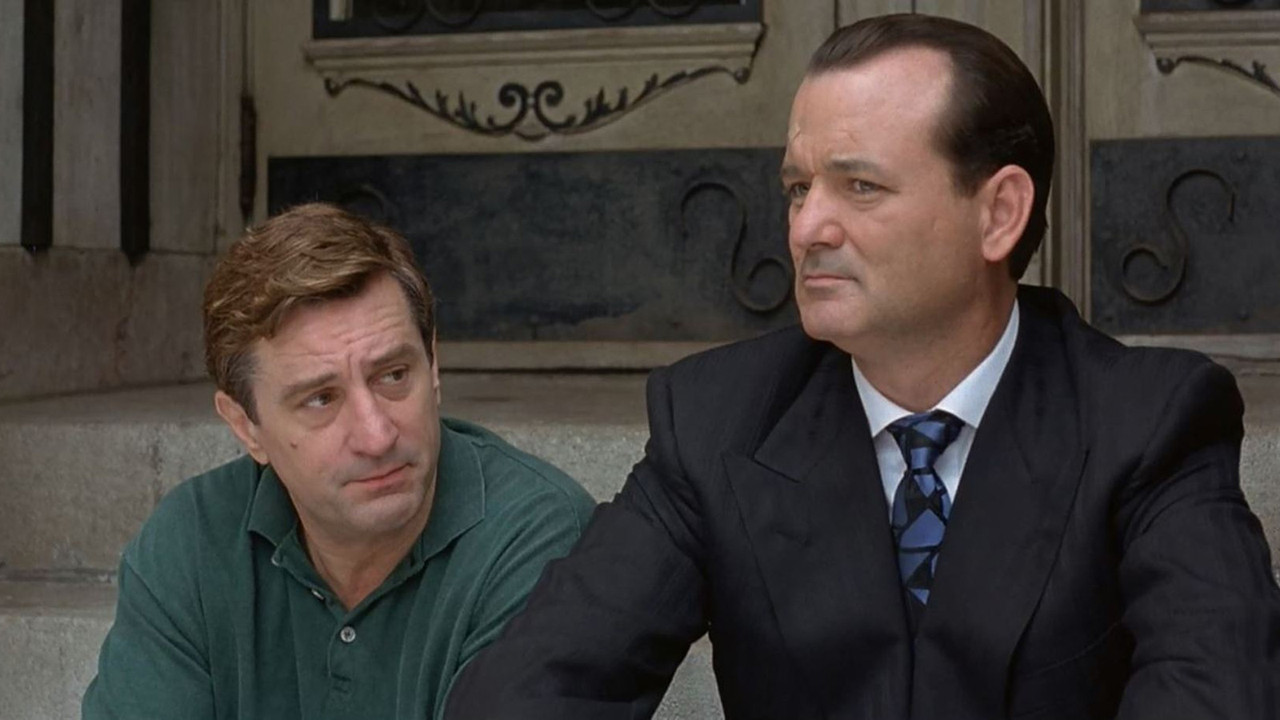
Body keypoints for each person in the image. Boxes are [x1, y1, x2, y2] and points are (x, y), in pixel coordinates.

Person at [444, 13, 1280, 720]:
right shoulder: (718, 419)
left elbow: (1218, 695)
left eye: (860, 187)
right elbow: (530, 693)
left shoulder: (1149, 423)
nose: (807, 228)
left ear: (999, 213)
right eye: (798, 188)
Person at [81, 203, 596, 720]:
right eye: (321, 399)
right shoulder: (191, 542)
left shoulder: (538, 539)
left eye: (394, 375)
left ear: (434, 367)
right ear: (246, 427)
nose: (377, 436)